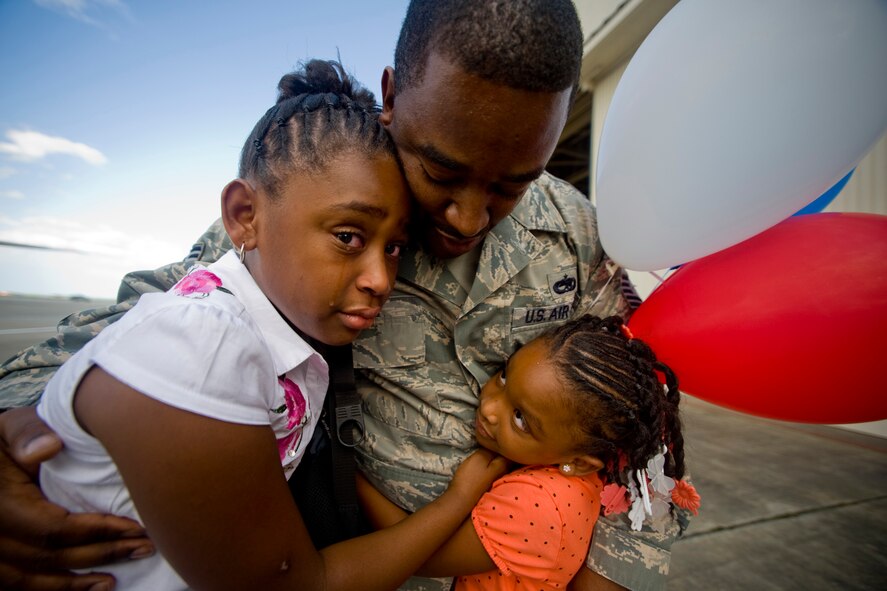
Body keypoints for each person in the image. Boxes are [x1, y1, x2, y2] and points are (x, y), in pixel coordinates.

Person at [0, 2, 688, 590]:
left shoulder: (577, 235)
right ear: (392, 97)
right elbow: (125, 330)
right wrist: (13, 443)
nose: (468, 217)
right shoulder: (323, 208)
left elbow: (642, 418)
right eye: (440, 171)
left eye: (513, 184)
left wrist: (609, 574)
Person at [25, 59, 509, 591]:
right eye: (348, 236)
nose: (380, 279)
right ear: (244, 216)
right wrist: (459, 501)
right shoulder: (202, 345)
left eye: (394, 248)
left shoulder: (275, 326)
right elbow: (298, 582)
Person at [356, 315, 699, 591]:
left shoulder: (538, 504)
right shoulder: (569, 473)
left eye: (520, 418)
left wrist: (352, 472)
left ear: (579, 462)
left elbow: (419, 557)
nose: (489, 408)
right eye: (504, 377)